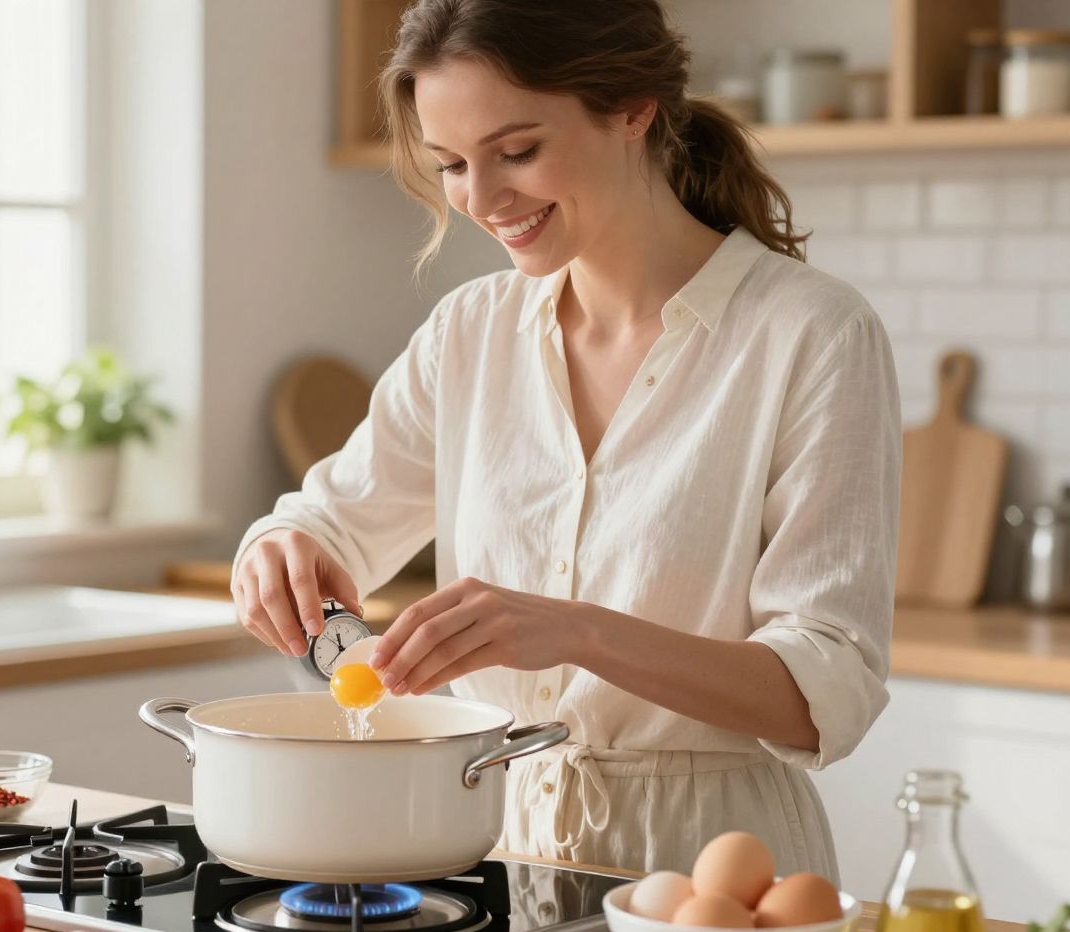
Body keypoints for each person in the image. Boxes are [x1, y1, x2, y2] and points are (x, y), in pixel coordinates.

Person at [230, 0, 900, 881]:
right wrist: (280, 547)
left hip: (712, 870)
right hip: (486, 847)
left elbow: (826, 691)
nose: (480, 198)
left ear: (632, 107)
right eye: (453, 165)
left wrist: (577, 632)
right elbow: (329, 520)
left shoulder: (811, 334)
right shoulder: (470, 331)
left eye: (517, 152)